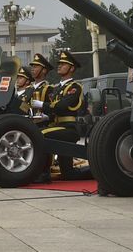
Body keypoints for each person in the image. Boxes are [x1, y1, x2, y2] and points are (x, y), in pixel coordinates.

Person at [35, 50, 89, 181]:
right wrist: (46, 117)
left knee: (39, 134)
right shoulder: (57, 88)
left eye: (64, 64)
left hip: (69, 128)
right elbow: (54, 110)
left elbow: (60, 106)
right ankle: (94, 171)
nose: (59, 66)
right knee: (68, 174)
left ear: (71, 68)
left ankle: (44, 173)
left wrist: (41, 104)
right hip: (58, 126)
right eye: (59, 63)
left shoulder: (75, 87)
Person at [28, 53, 54, 127]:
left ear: (44, 70)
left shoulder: (49, 89)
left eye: (35, 67)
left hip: (42, 126)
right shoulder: (28, 89)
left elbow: (53, 109)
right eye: (32, 66)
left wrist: (47, 117)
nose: (32, 69)